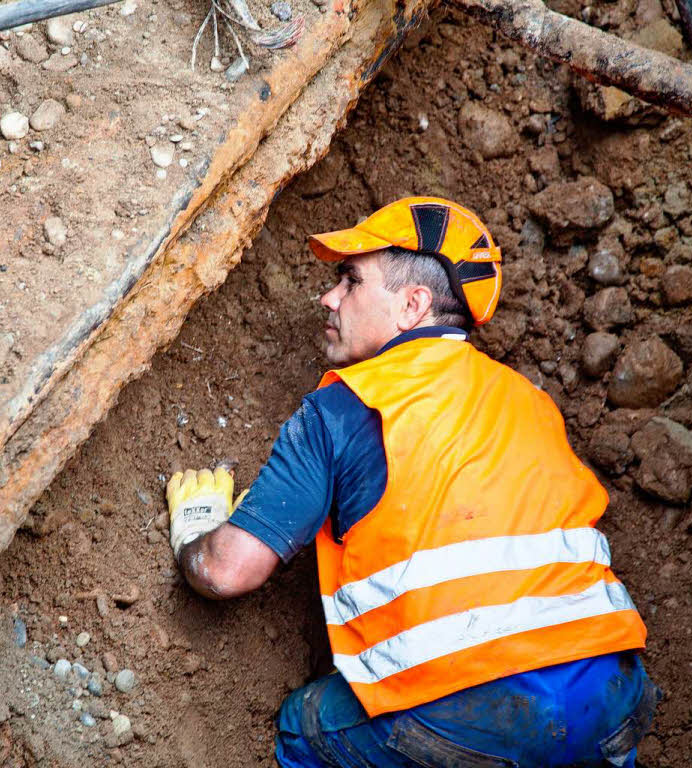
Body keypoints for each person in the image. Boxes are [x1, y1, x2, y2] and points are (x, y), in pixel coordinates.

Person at [165, 197, 658, 767]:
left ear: (413, 305)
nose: (330, 297)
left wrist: (194, 535)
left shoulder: (348, 404)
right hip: (610, 688)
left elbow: (227, 572)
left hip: (467, 711)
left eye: (350, 281)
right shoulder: (531, 400)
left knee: (303, 732)